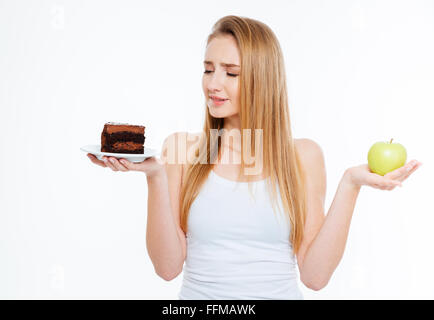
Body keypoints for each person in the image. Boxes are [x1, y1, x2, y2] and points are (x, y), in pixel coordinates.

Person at [86, 15, 422, 299]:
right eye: (208, 69)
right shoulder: (182, 150)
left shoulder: (303, 156)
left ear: (263, 79)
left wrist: (350, 184)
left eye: (231, 73)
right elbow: (167, 268)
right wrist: (155, 177)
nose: (213, 84)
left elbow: (315, 277)